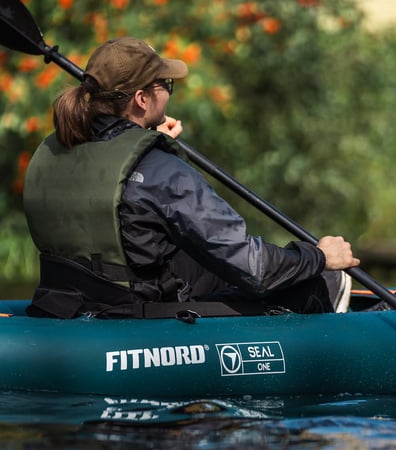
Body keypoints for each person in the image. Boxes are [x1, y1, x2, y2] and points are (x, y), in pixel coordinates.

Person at [22, 37, 360, 319]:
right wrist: (319, 258)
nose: (169, 93)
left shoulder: (57, 151)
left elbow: (125, 206)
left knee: (205, 259)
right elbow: (252, 267)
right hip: (139, 316)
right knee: (321, 282)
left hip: (66, 305)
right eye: (165, 85)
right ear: (142, 99)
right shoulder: (161, 171)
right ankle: (330, 292)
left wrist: (150, 143)